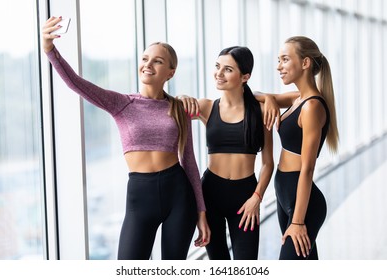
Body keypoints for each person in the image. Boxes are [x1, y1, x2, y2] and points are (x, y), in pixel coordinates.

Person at [42, 16, 210, 260]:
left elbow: (190, 162)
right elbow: (77, 83)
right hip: (140, 196)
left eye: (157, 61)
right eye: (144, 59)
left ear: (170, 72)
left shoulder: (178, 108)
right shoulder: (122, 103)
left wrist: (201, 212)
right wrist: (49, 49)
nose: (148, 64)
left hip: (178, 195)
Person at [179, 46, 274, 260]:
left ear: (245, 76)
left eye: (228, 69)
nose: (219, 74)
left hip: (246, 196)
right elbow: (169, 109)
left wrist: (257, 198)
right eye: (217, 67)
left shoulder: (260, 112)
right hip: (210, 193)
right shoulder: (205, 107)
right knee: (218, 262)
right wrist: (182, 96)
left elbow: (268, 163)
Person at [256, 36, 339, 259]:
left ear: (305, 63)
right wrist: (270, 98)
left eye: (284, 59)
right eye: (278, 60)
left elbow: (308, 169)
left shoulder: (312, 106)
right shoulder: (298, 99)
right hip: (285, 193)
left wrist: (298, 221)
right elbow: (252, 96)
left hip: (302, 201)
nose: (278, 66)